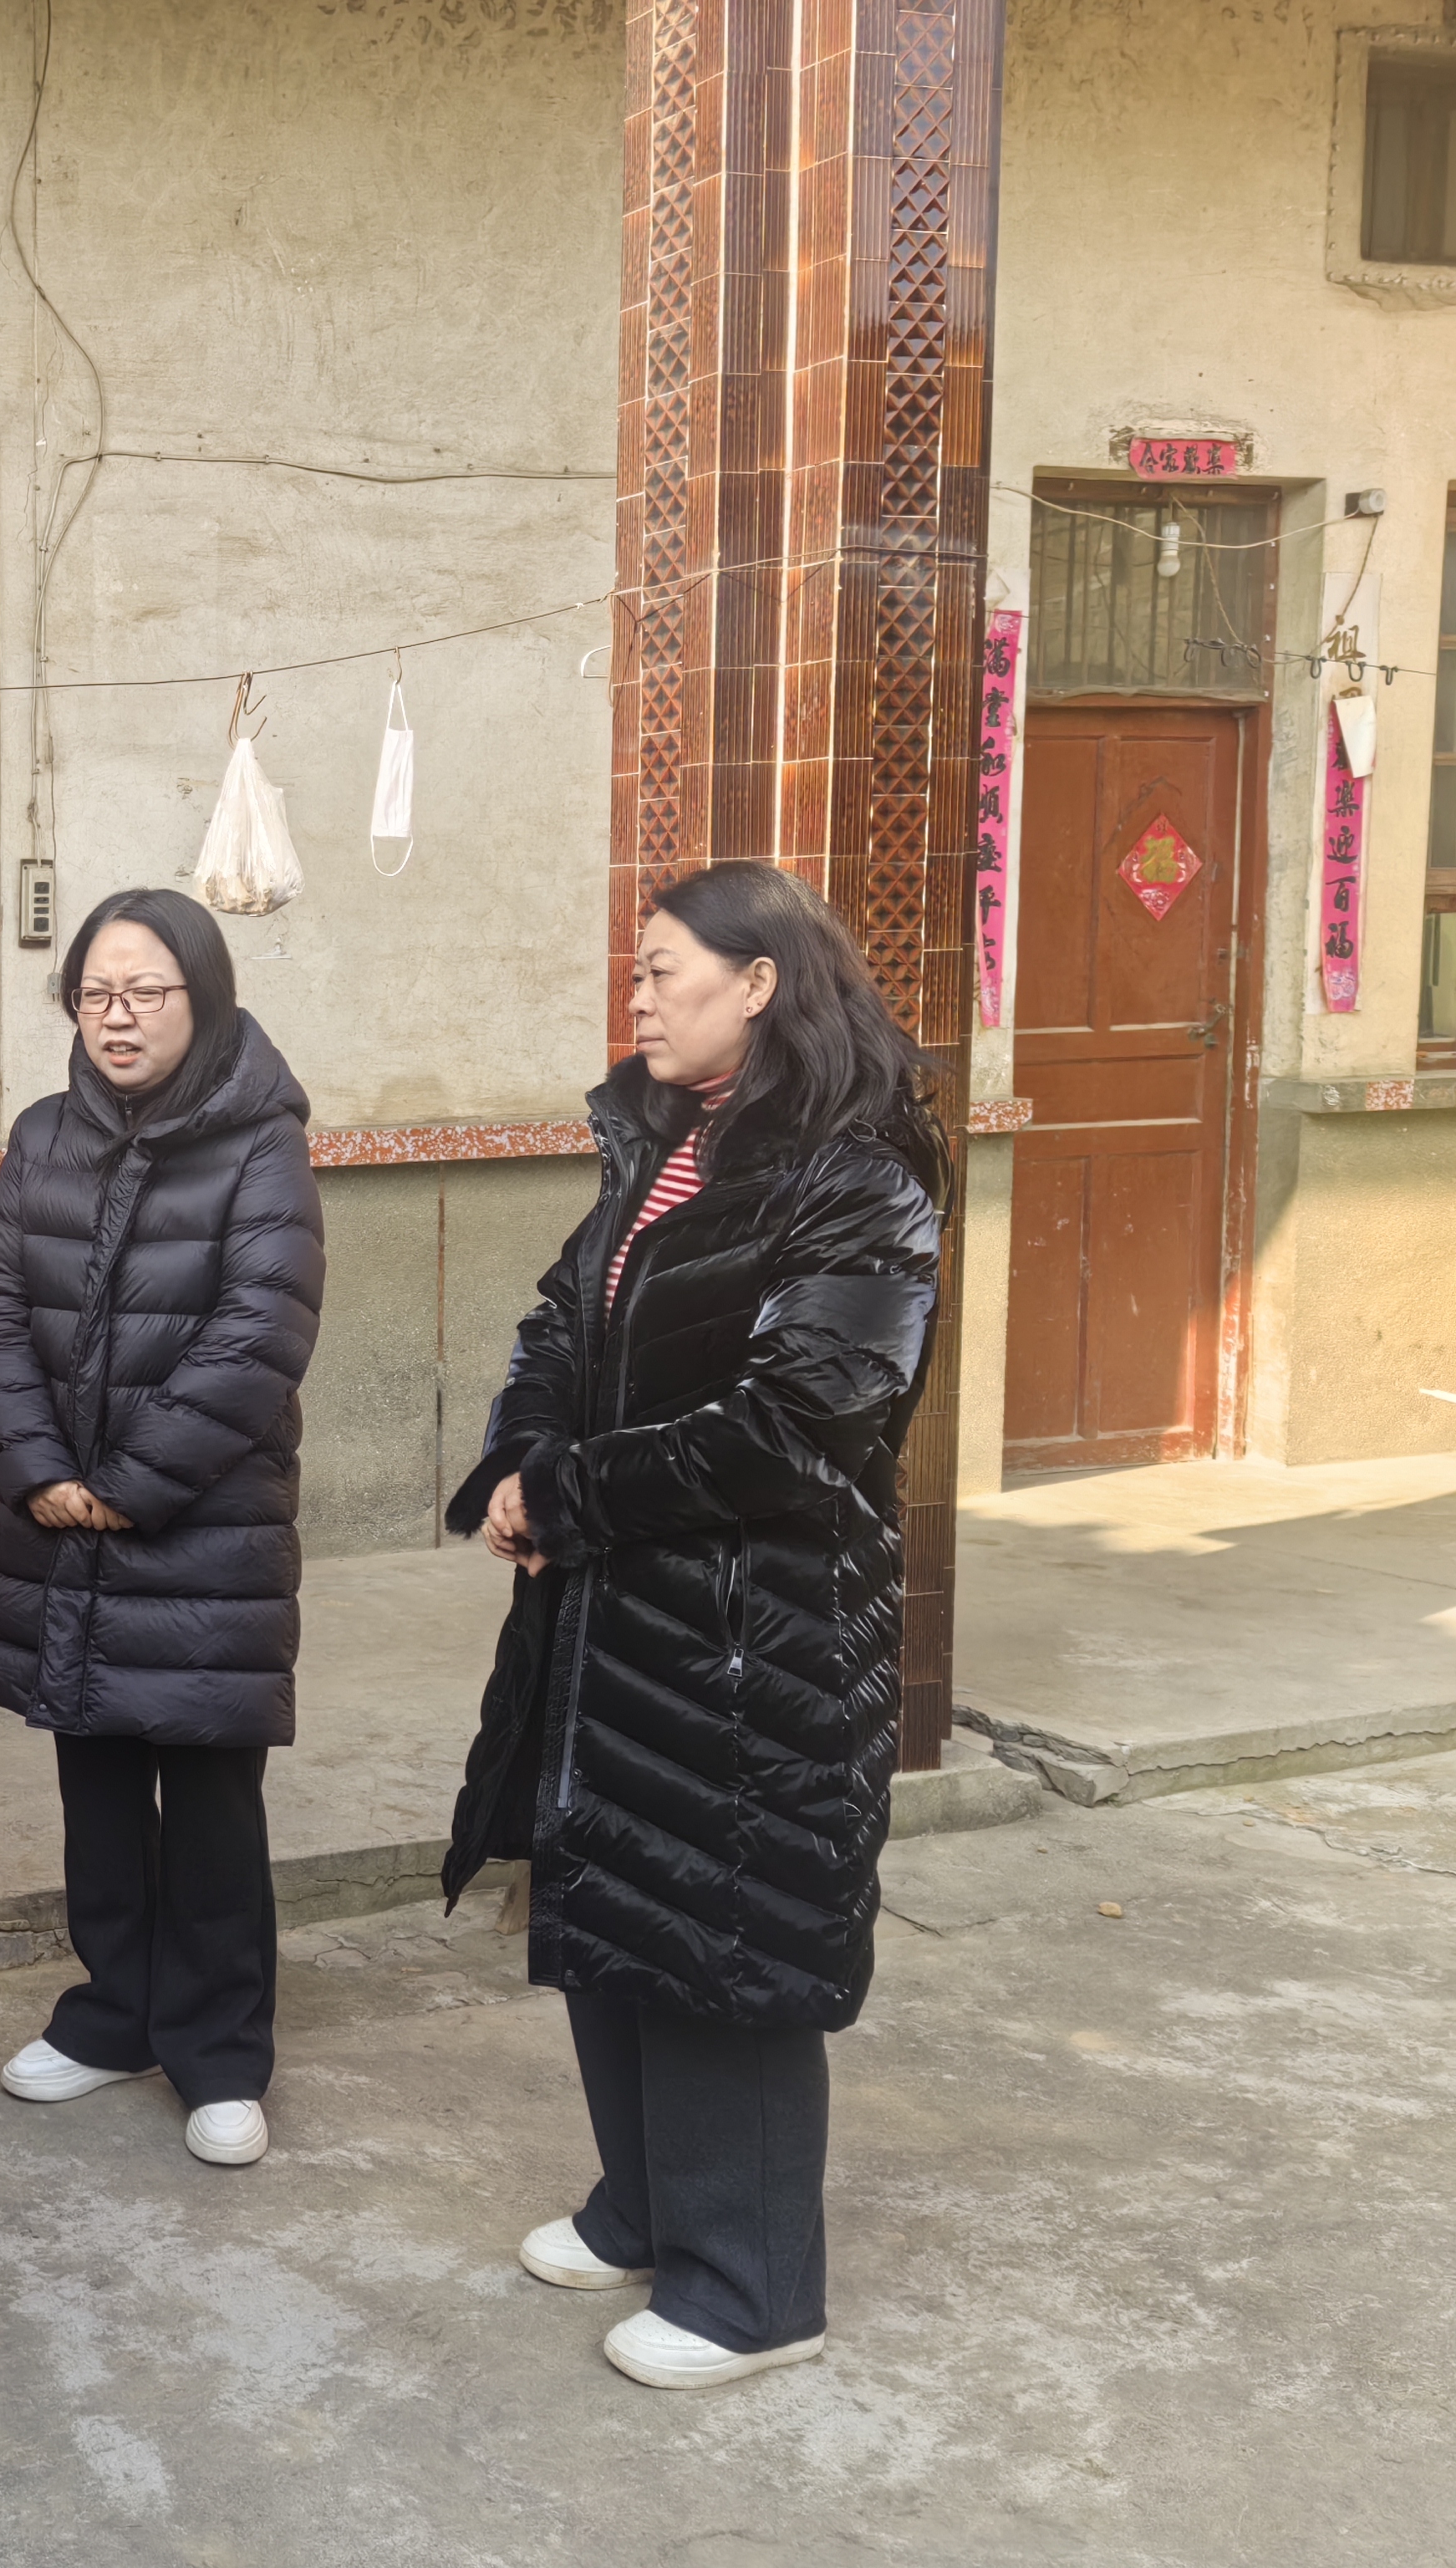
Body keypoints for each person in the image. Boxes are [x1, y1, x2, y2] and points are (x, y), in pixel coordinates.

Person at [441, 859, 944, 2391]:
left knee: (728, 1934)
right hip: (616, 1612)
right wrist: (524, 1461)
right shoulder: (662, 1138)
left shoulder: (859, 1171)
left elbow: (797, 1427)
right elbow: (561, 1319)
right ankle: (647, 2209)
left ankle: (753, 2289)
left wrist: (569, 1494)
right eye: (640, 970)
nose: (640, 996)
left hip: (754, 1631)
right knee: (619, 1906)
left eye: (665, 969)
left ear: (760, 982)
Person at [0, 886, 326, 2168]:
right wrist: (35, 1468)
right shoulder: (43, 1135)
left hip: (203, 1538)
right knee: (99, 1787)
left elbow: (261, 1329)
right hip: (64, 1526)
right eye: (95, 995)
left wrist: (130, 1482)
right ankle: (115, 2015)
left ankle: (220, 2053)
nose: (116, 1019)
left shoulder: (262, 1146)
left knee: (212, 1802)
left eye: (145, 993)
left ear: (203, 999)